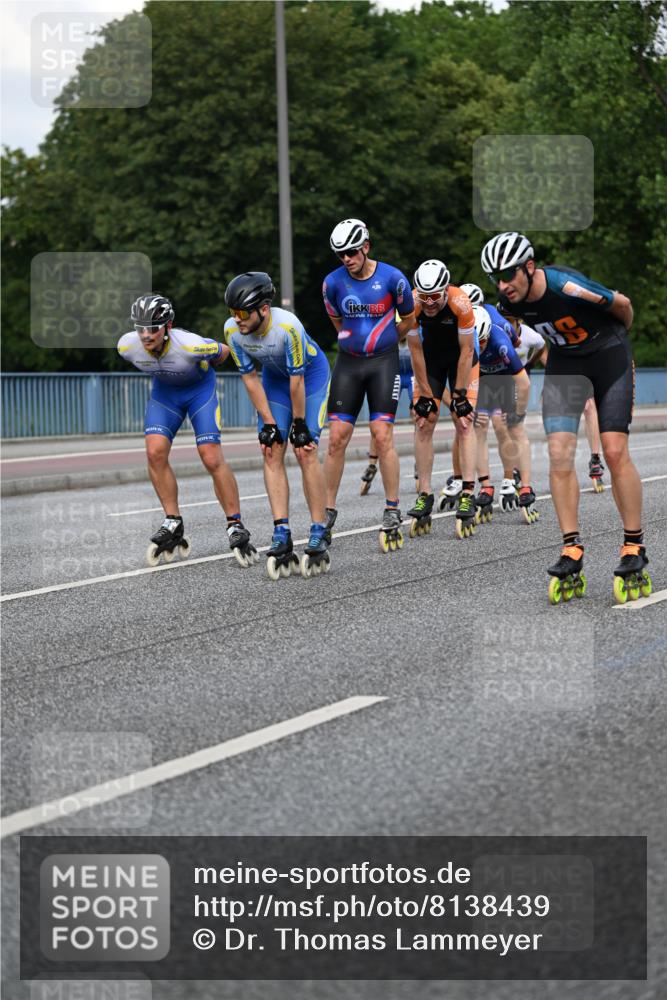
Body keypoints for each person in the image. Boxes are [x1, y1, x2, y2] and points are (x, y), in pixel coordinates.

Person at [480, 231, 650, 603]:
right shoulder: (508, 303)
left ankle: (634, 545)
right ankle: (571, 548)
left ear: (529, 267)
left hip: (608, 356)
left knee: (613, 450)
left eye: (508, 275)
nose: (503, 285)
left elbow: (623, 306)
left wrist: (618, 341)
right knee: (558, 454)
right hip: (565, 365)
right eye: (496, 278)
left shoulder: (566, 286)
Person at [118, 294, 258, 567]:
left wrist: (209, 362)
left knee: (210, 456)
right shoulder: (126, 346)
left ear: (168, 327)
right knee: (154, 453)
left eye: (153, 328)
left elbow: (224, 352)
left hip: (199, 393)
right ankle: (172, 520)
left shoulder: (190, 345)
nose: (145, 335)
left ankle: (235, 524)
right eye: (141, 328)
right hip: (165, 396)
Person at [224, 271, 332, 579]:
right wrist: (269, 423)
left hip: (309, 377)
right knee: (271, 448)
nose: (237, 319)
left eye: (244, 313)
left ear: (264, 309)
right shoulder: (232, 331)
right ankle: (281, 531)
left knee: (305, 449)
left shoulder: (288, 326)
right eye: (233, 312)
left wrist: (299, 423)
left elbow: (297, 380)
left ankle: (318, 528)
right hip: (275, 381)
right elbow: (249, 378)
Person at [323, 219, 415, 552]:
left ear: (365, 246)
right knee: (336, 438)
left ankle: (392, 508)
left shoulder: (393, 278)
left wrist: (386, 338)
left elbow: (410, 318)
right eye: (340, 255)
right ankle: (326, 512)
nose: (346, 259)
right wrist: (355, 339)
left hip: (383, 363)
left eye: (351, 252)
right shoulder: (332, 283)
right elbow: (337, 320)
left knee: (382, 434)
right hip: (349, 363)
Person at [405, 260, 479, 539]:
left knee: (464, 421)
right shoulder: (411, 303)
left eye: (435, 296)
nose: (429, 303)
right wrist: (425, 393)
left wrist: (459, 395)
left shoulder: (461, 302)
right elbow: (415, 351)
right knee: (424, 421)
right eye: (424, 296)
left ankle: (468, 492)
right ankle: (424, 494)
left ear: (446, 290)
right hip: (430, 360)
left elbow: (467, 351)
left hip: (462, 359)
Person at [471, 305, 538, 524]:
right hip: (481, 378)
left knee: (514, 428)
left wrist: (519, 413)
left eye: (482, 342)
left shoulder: (501, 342)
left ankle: (525, 486)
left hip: (505, 376)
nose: (479, 346)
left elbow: (524, 384)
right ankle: (486, 487)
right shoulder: (464, 340)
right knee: (478, 426)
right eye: (476, 342)